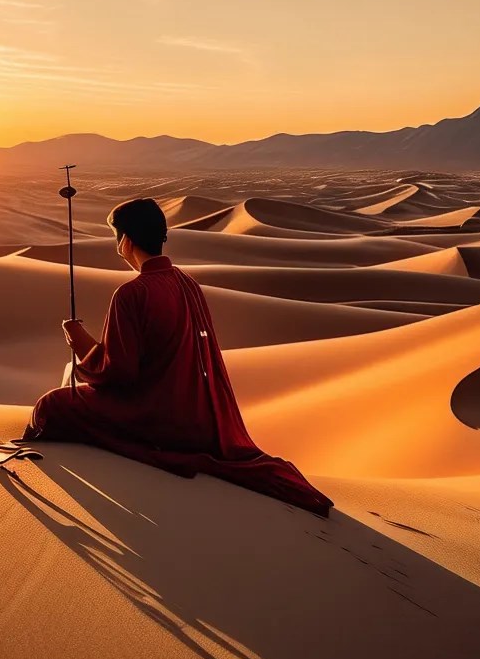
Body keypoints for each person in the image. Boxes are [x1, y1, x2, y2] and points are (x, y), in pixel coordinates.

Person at [23, 197, 333, 518]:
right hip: (199, 417)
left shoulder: (132, 293)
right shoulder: (187, 282)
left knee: (51, 406)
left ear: (126, 241)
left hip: (158, 419)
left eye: (118, 239)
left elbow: (120, 373)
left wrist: (79, 341)